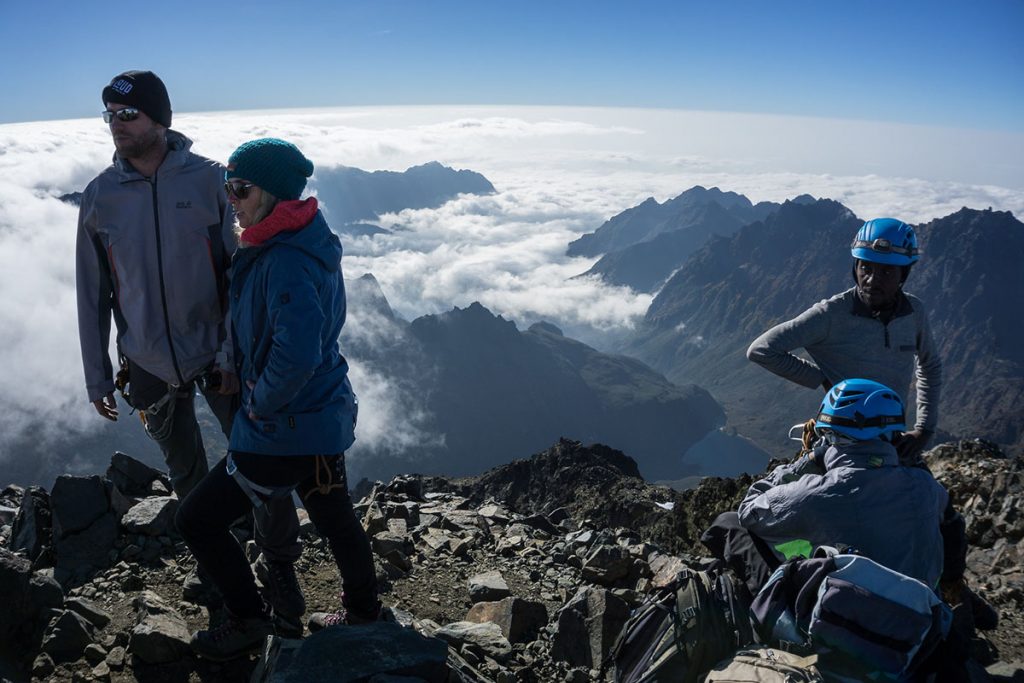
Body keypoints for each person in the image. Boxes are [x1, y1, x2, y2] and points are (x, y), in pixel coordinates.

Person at [76, 70, 303, 617]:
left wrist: (229, 354)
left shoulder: (208, 181)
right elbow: (93, 292)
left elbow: (238, 276)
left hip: (218, 355)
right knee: (186, 473)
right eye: (109, 114)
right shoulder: (100, 196)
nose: (117, 125)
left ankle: (280, 569)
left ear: (160, 119)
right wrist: (97, 374)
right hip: (147, 363)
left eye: (128, 114)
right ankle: (218, 569)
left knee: (258, 462)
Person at [175, 138, 380, 661]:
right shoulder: (301, 239)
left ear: (272, 193)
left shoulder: (282, 257)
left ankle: (247, 618)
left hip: (281, 427)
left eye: (241, 189)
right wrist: (236, 369)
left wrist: (259, 402)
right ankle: (364, 612)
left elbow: (297, 352)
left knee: (196, 520)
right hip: (320, 416)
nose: (232, 201)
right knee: (335, 516)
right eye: (228, 189)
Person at [702, 379, 963, 597]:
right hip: (920, 621)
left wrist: (807, 462)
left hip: (849, 626)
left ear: (831, 436)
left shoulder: (817, 493)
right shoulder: (925, 486)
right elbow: (952, 524)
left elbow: (749, 510)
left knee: (729, 524)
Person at [747, 218, 941, 463]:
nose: (872, 279)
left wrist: (924, 430)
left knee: (930, 499)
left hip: (892, 441)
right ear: (855, 267)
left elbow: (930, 366)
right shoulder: (831, 315)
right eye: (866, 268)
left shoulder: (913, 312)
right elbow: (761, 350)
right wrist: (822, 380)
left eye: (886, 271)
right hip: (841, 444)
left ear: (904, 274)